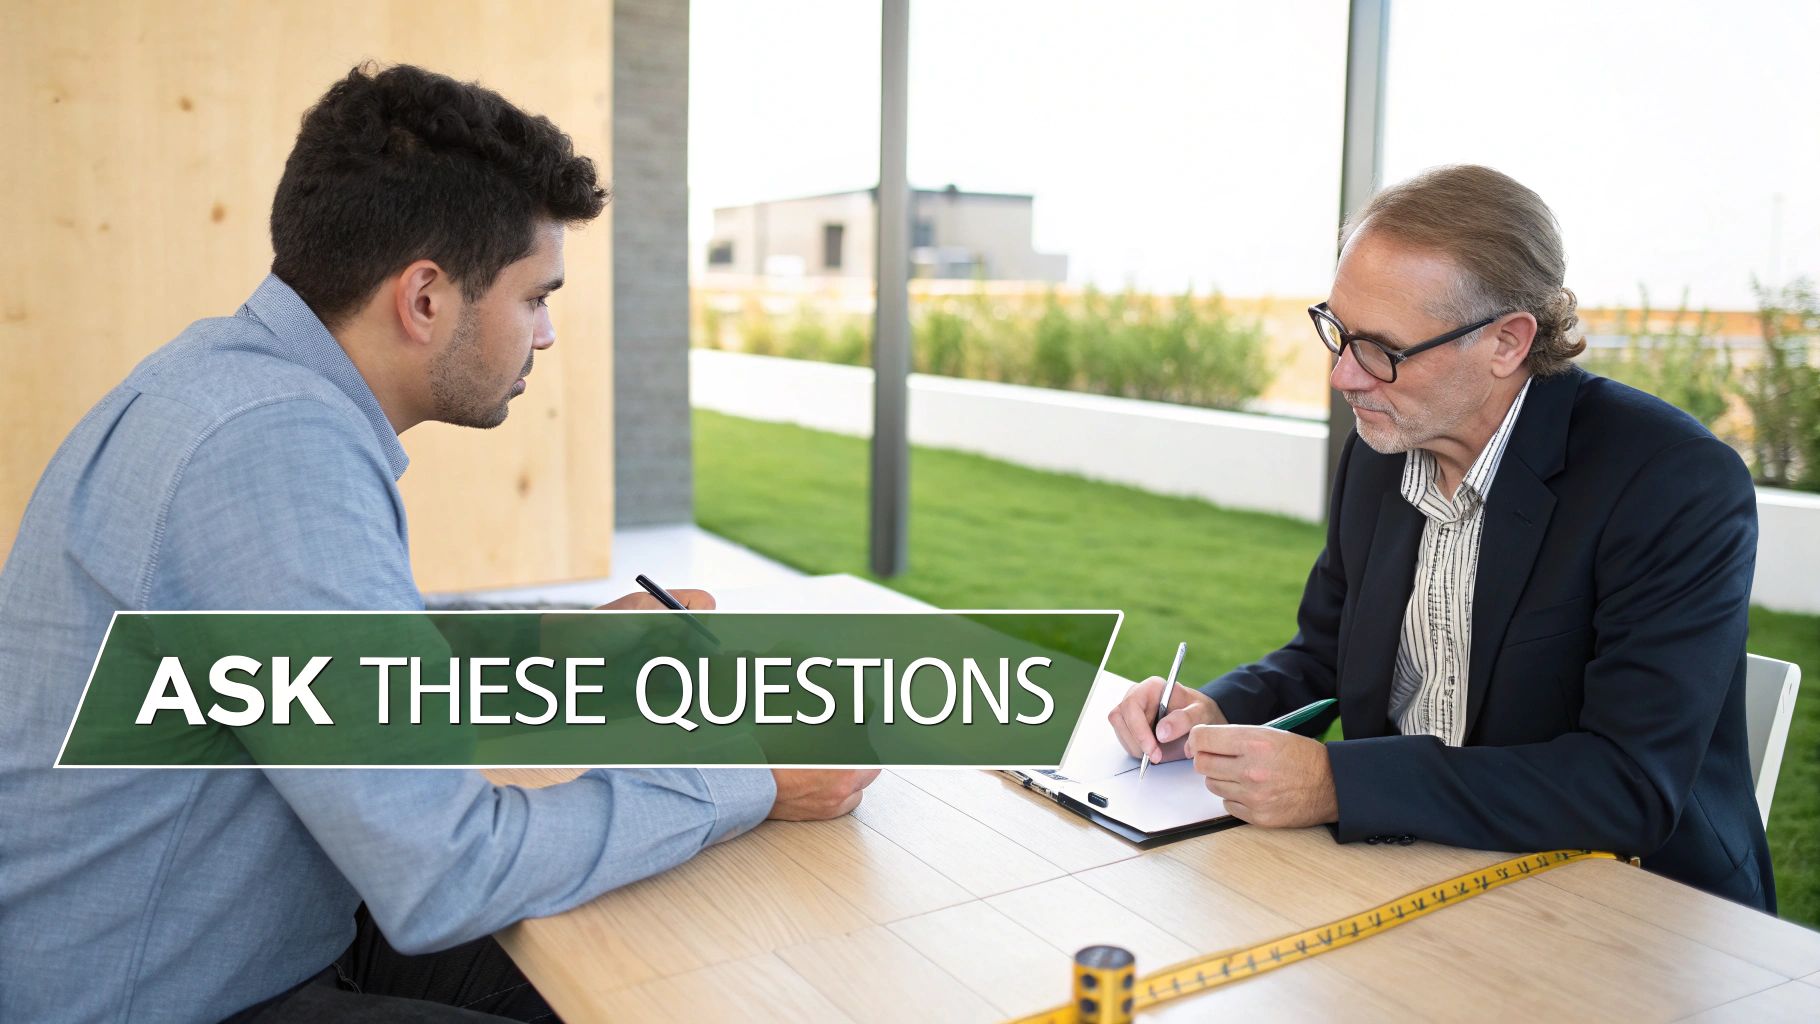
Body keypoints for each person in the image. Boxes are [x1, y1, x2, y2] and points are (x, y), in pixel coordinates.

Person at [0, 63, 875, 1024]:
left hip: (238, 930)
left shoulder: (228, 383)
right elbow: (444, 866)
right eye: (536, 297)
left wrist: (551, 646)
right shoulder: (274, 450)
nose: (544, 336)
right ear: (424, 299)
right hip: (166, 995)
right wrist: (748, 776)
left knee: (654, 961)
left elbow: (317, 659)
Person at [1108, 165, 1771, 911]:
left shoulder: (1670, 483)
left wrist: (1336, 784)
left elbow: (1627, 786)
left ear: (1508, 342)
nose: (1342, 376)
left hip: (1629, 905)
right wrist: (1217, 710)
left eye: (1381, 349)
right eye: (1337, 331)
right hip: (1407, 870)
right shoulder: (1381, 449)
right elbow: (1325, 654)